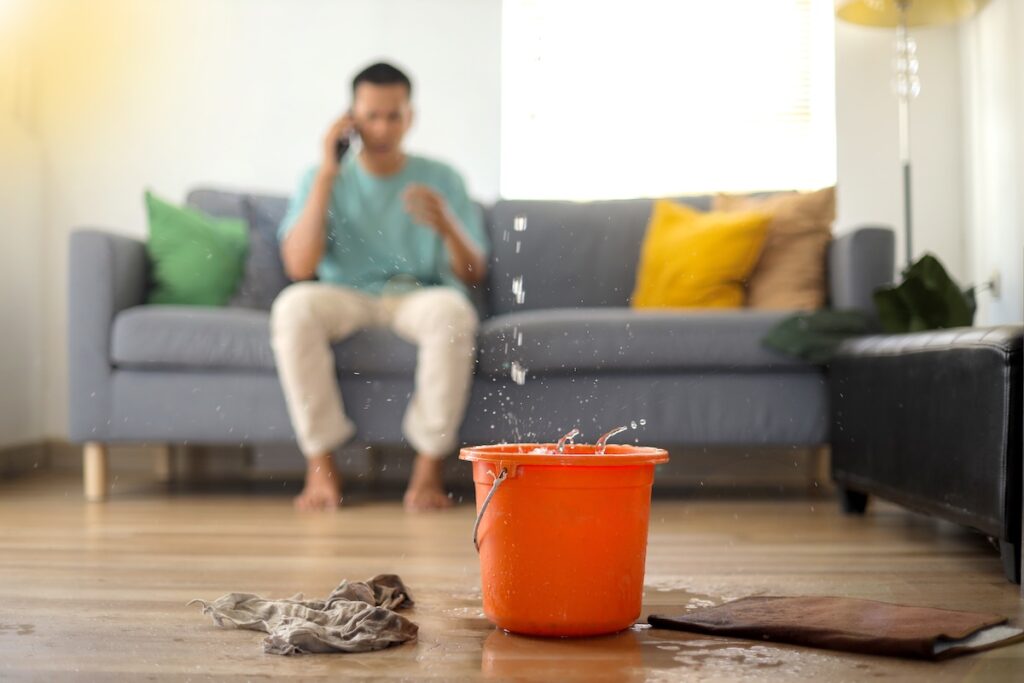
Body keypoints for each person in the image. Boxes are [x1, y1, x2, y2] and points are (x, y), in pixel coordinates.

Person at [271, 62, 488, 512]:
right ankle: (320, 465)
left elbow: (473, 273)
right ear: (351, 118)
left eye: (394, 116)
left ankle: (428, 469)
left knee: (453, 312)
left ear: (411, 117)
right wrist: (328, 171)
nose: (383, 128)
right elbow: (298, 266)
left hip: (417, 295)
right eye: (372, 116)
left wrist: (448, 225)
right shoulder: (320, 178)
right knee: (293, 307)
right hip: (345, 295)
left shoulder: (443, 178)